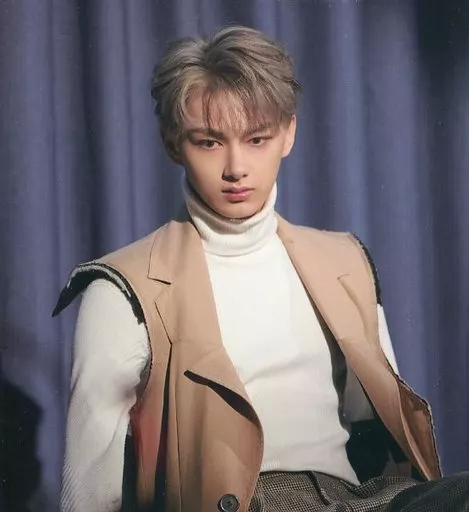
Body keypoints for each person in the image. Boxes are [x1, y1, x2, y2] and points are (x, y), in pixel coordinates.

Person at [54, 25, 468, 512]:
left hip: (358, 501)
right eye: (209, 142)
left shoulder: (345, 262)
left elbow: (374, 425)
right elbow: (89, 490)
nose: (236, 168)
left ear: (289, 133)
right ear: (172, 142)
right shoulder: (124, 288)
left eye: (256, 139)